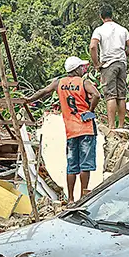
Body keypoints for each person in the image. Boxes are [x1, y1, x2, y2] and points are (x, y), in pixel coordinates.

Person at [23, 56, 101, 203]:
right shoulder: (84, 82)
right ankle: (83, 197)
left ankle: (70, 198)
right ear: (76, 69)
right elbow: (97, 94)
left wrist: (28, 100)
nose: (83, 69)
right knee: (85, 164)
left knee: (72, 165)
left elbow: (44, 91)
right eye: (81, 67)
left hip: (71, 130)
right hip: (86, 129)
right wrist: (90, 109)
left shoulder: (59, 83)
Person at [89, 5, 129, 131]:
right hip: (121, 63)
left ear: (101, 17)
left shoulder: (99, 30)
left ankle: (112, 126)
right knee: (121, 96)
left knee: (111, 96)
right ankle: (122, 126)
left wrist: (96, 64)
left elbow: (93, 46)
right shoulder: (122, 29)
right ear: (112, 15)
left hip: (108, 64)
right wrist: (124, 54)